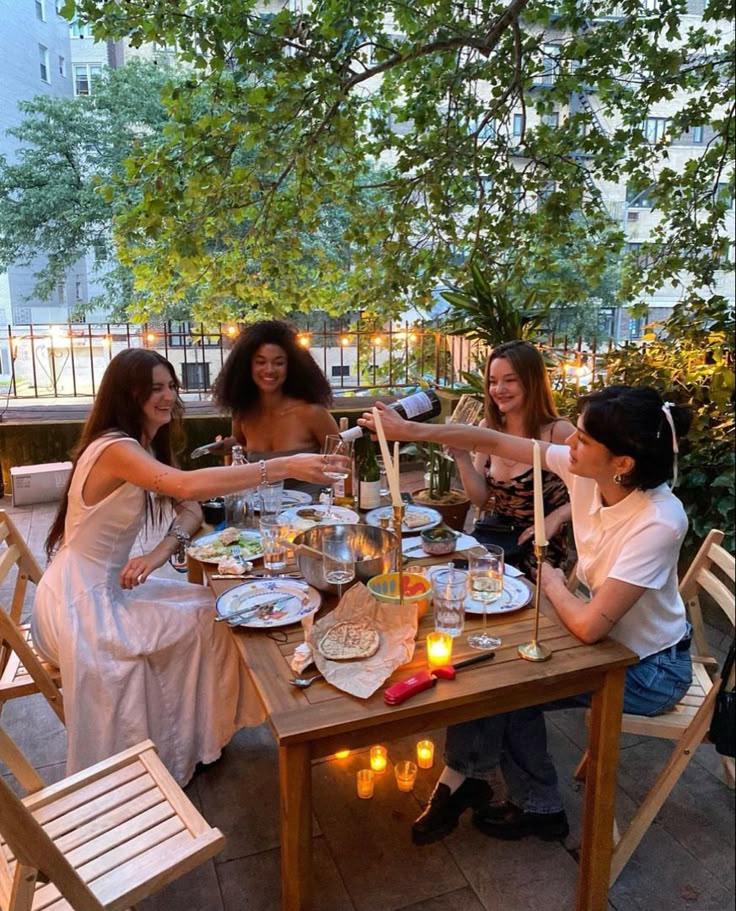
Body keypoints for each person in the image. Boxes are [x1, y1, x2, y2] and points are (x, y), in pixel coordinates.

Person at [360, 386, 693, 845]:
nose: (568, 444)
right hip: (604, 639)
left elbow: (591, 627)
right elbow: (493, 442)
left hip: (647, 669)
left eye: (582, 438)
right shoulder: (587, 475)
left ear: (623, 463)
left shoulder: (659, 520)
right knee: (486, 664)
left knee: (510, 687)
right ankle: (469, 780)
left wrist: (551, 580)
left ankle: (534, 805)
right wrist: (408, 429)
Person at [32, 349, 344, 786]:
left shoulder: (139, 445)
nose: (168, 397)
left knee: (211, 605)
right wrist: (283, 466)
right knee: (213, 618)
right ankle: (181, 747)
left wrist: (159, 553)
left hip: (107, 587)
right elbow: (185, 486)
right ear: (127, 395)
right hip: (78, 605)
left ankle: (198, 738)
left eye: (171, 386)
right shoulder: (115, 447)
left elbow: (190, 506)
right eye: (155, 388)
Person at [450, 340, 573, 575]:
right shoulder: (489, 427)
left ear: (532, 382)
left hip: (540, 549)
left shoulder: (558, 432)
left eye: (510, 380)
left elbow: (596, 494)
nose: (498, 390)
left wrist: (557, 516)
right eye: (493, 382)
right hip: (498, 540)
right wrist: (462, 457)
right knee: (454, 579)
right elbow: (480, 498)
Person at [210, 320, 339, 494]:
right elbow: (242, 447)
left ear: (291, 367)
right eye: (260, 362)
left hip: (309, 514)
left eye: (278, 363)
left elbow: (341, 464)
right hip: (261, 512)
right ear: (246, 367)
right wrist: (228, 446)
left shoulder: (312, 413)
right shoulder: (243, 414)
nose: (269, 370)